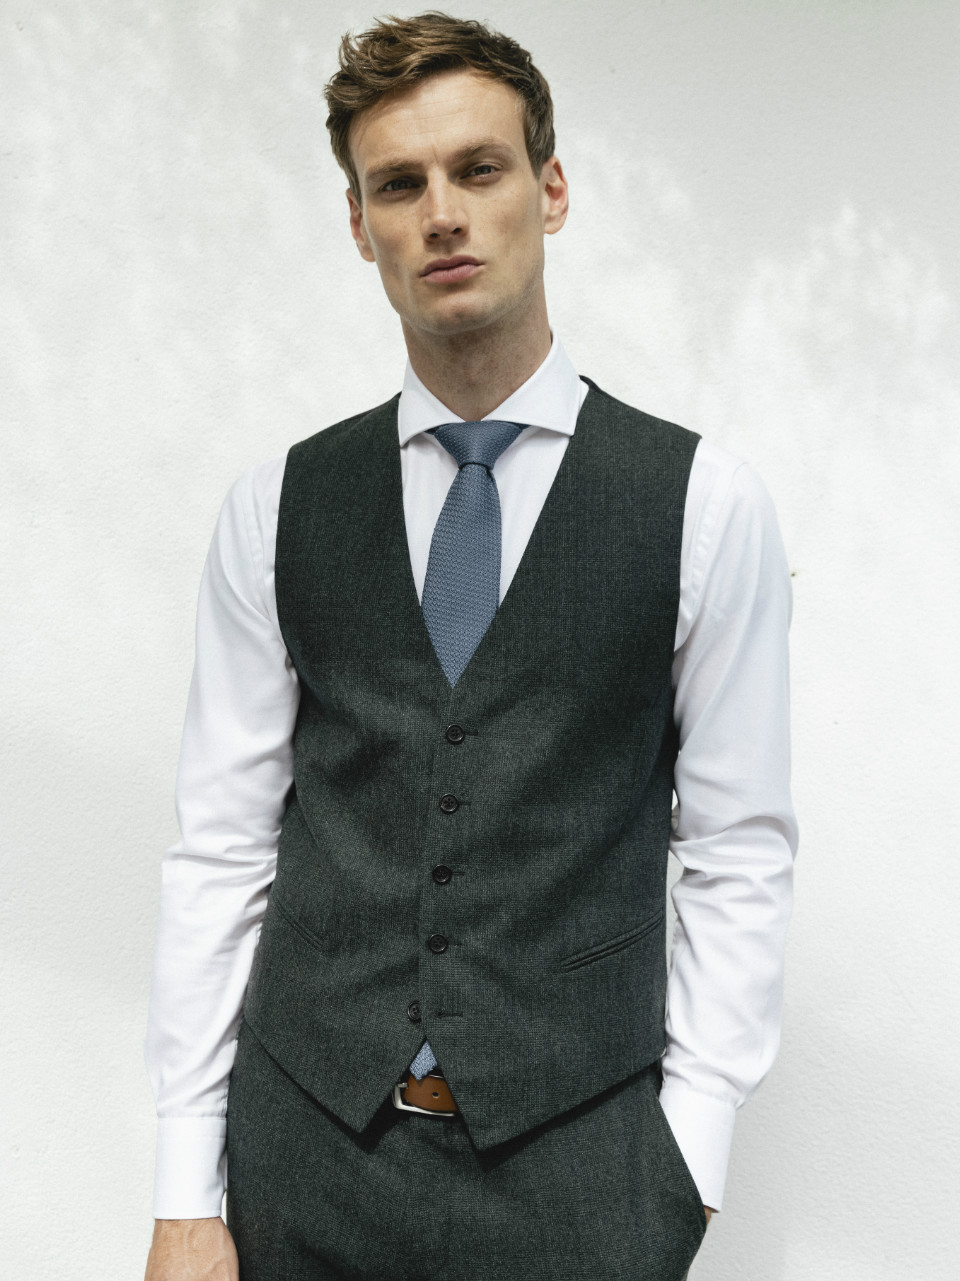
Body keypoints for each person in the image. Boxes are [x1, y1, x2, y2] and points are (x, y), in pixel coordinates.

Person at [143, 11, 797, 1280]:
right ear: (360, 225)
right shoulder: (275, 507)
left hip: (584, 1177)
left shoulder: (705, 505)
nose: (442, 214)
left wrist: (688, 1166)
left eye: (478, 169)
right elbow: (220, 849)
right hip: (301, 1162)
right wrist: (184, 1193)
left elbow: (739, 849)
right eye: (400, 185)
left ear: (550, 192)